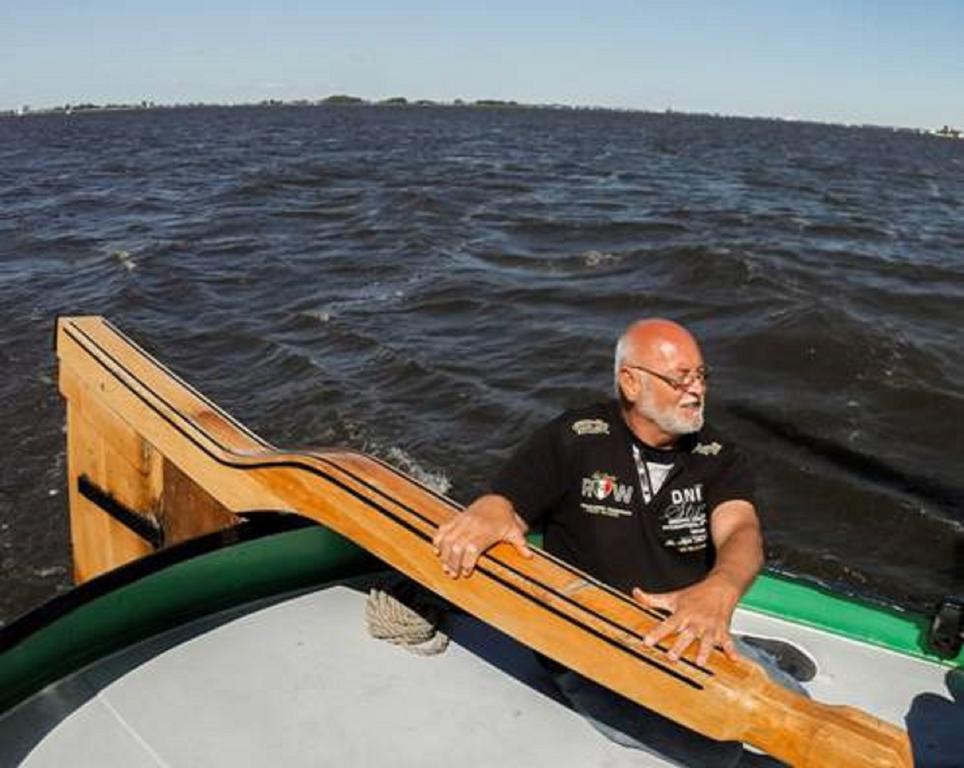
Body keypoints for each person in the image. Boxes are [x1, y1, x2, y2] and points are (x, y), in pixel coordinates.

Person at [433, 318, 802, 767]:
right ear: (630, 382)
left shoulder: (718, 456)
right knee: (712, 752)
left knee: (795, 706)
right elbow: (504, 505)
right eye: (679, 377)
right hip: (586, 640)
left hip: (680, 629)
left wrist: (721, 587)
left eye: (701, 375)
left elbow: (741, 531)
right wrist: (492, 506)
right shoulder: (575, 438)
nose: (696, 390)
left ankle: (751, 651)